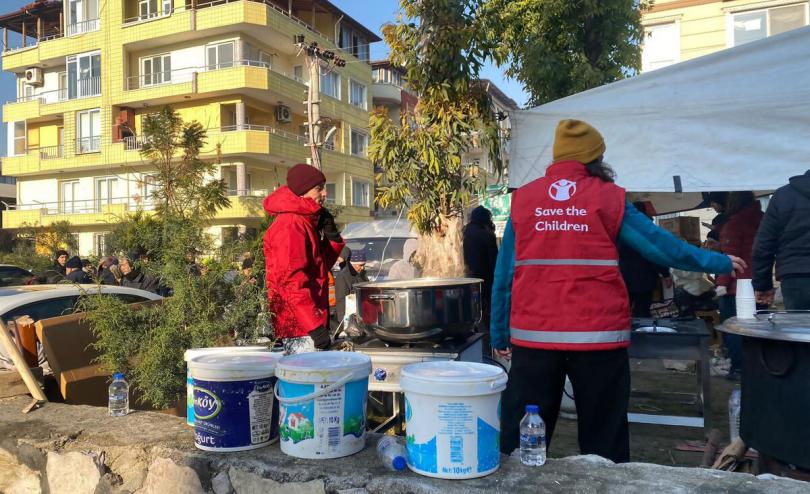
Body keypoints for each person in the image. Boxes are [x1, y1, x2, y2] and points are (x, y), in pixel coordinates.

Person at [490, 119, 745, 463]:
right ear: (595, 159)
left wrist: (499, 331)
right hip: (596, 340)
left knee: (522, 444)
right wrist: (717, 262)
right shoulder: (608, 197)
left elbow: (504, 274)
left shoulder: (524, 199)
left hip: (534, 339)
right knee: (603, 441)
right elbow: (659, 245)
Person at [263, 163, 344, 355]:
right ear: (302, 191)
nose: (324, 193)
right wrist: (314, 327)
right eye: (319, 188)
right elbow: (290, 282)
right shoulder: (291, 225)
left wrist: (333, 238)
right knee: (309, 383)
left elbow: (319, 268)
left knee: (316, 383)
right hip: (300, 329)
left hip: (307, 323)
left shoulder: (304, 221)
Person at [716, 191, 763, 380]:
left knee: (735, 329)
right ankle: (759, 367)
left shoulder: (735, 224)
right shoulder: (764, 219)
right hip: (761, 284)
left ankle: (739, 368)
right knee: (759, 329)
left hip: (738, 287)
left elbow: (730, 258)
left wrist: (721, 284)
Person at [753, 170, 810, 310]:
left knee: (800, 329)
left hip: (796, 276)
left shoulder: (783, 196)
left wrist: (763, 285)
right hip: (795, 273)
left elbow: (763, 245)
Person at [619, 202, 673, 318]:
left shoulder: (621, 228)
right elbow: (657, 254)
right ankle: (642, 333)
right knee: (642, 312)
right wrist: (665, 274)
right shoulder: (649, 230)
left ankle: (625, 334)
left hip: (624, 278)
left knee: (622, 312)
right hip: (645, 278)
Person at [463, 206, 499, 331]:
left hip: (468, 278)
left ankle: (474, 329)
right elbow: (493, 260)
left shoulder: (465, 231)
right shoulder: (486, 234)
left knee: (474, 307)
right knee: (488, 308)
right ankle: (487, 334)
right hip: (486, 278)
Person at [334, 251, 369, 323]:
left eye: (364, 265)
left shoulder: (362, 274)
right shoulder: (343, 276)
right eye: (360, 265)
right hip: (350, 315)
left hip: (362, 313)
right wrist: (344, 321)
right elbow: (341, 300)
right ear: (353, 264)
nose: (362, 268)